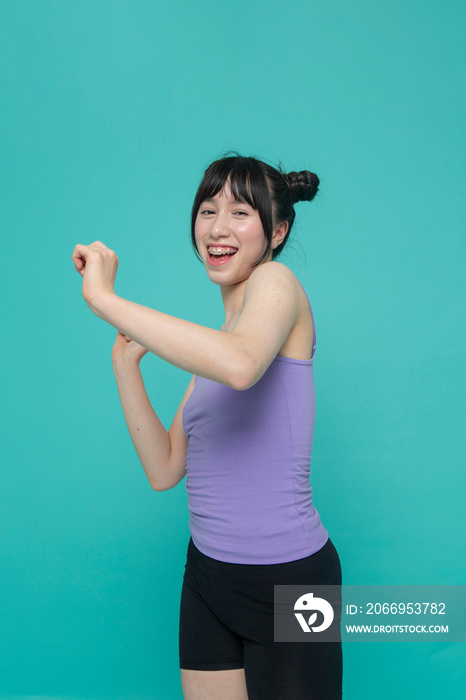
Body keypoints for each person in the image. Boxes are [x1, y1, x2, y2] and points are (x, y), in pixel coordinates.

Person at [72, 152, 343, 700]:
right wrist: (126, 368)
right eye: (207, 209)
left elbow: (242, 365)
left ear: (278, 230)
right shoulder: (215, 349)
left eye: (241, 212)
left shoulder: (277, 283)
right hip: (207, 578)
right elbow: (164, 468)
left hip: (288, 583)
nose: (218, 227)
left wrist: (104, 299)